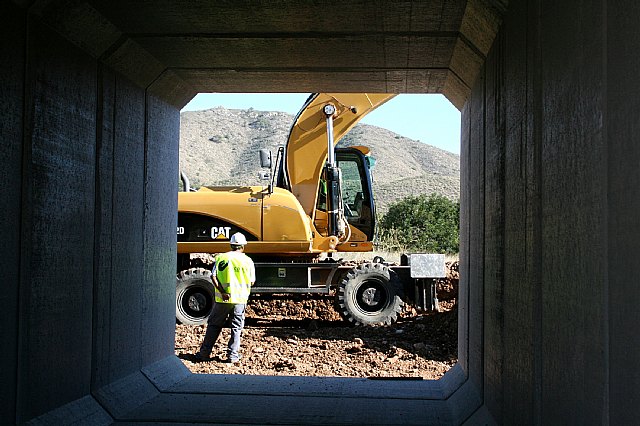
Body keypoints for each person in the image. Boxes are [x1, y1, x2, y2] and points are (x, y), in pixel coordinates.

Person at [195, 232, 255, 364]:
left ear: (231, 244)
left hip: (223, 299)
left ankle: (204, 354)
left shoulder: (222, 258)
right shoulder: (248, 261)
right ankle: (232, 356)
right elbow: (251, 281)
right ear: (243, 246)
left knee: (214, 325)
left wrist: (223, 291)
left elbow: (213, 276)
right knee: (236, 327)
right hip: (240, 300)